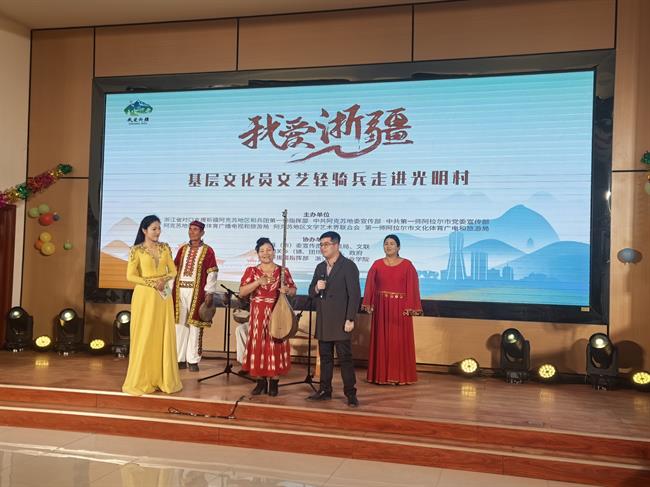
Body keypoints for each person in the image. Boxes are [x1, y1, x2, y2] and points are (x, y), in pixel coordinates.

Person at [122, 215, 182, 396]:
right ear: (144, 230)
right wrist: (151, 283)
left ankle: (163, 379)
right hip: (145, 296)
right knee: (145, 334)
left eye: (159, 228)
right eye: (154, 229)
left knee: (163, 334)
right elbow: (130, 276)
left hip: (163, 296)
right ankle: (143, 379)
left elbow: (173, 271)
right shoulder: (136, 250)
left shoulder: (165, 248)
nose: (158, 232)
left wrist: (163, 279)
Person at [308, 231, 360, 407]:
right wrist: (317, 287)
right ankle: (325, 390)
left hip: (341, 321)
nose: (323, 248)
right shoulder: (320, 267)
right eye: (321, 245)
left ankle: (350, 393)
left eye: (326, 244)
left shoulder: (348, 266)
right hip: (324, 320)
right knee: (325, 357)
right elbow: (311, 292)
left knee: (345, 358)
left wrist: (350, 318)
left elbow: (354, 295)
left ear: (336, 245)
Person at [238, 237, 297, 397]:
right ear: (257, 254)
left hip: (278, 312)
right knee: (259, 344)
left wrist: (287, 290)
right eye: (262, 251)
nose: (266, 253)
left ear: (274, 252)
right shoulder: (252, 271)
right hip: (258, 313)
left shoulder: (282, 271)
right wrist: (258, 282)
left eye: (269, 250)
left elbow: (293, 290)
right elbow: (242, 292)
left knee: (276, 343)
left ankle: (274, 381)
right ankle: (260, 381)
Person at [362, 234, 422, 385]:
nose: (388, 246)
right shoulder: (376, 264)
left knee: (397, 342)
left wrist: (410, 307)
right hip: (381, 309)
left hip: (400, 310)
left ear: (398, 247)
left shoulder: (407, 265)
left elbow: (412, 287)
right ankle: (380, 376)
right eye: (386, 243)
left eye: (392, 244)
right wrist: (369, 303)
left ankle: (399, 376)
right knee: (381, 341)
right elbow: (370, 285)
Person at [172, 220, 219, 372]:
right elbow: (174, 269)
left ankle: (193, 360)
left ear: (202, 233)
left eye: (195, 229)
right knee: (179, 325)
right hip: (179, 290)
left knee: (195, 326)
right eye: (190, 229)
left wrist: (209, 291)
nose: (192, 232)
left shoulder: (208, 251)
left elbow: (212, 272)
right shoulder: (182, 249)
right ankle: (179, 359)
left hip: (197, 292)